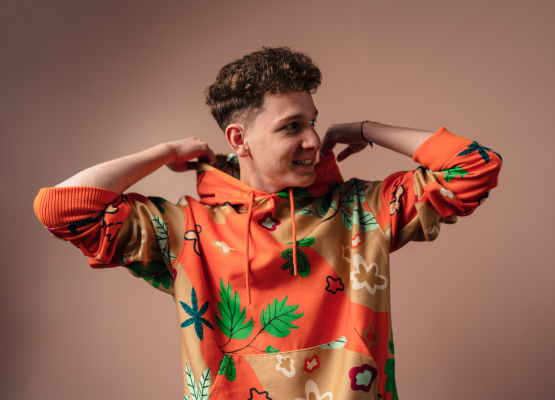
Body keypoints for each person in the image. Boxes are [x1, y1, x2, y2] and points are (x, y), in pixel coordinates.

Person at [34, 46, 502, 400]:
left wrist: (363, 130)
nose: (315, 139)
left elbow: (474, 167)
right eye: (291, 126)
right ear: (239, 139)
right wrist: (164, 154)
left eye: (314, 122)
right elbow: (61, 207)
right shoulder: (187, 230)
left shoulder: (363, 211)